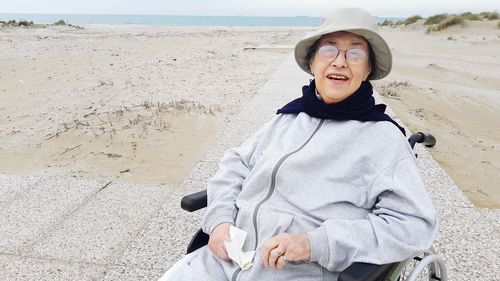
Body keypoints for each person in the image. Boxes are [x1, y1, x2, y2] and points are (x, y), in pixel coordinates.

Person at [160, 7, 437, 281]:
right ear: (314, 63)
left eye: (355, 53)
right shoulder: (287, 119)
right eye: (329, 50)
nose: (340, 61)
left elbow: (413, 225)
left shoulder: (383, 139)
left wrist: (315, 244)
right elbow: (236, 163)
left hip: (297, 272)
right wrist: (219, 220)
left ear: (367, 70)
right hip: (222, 261)